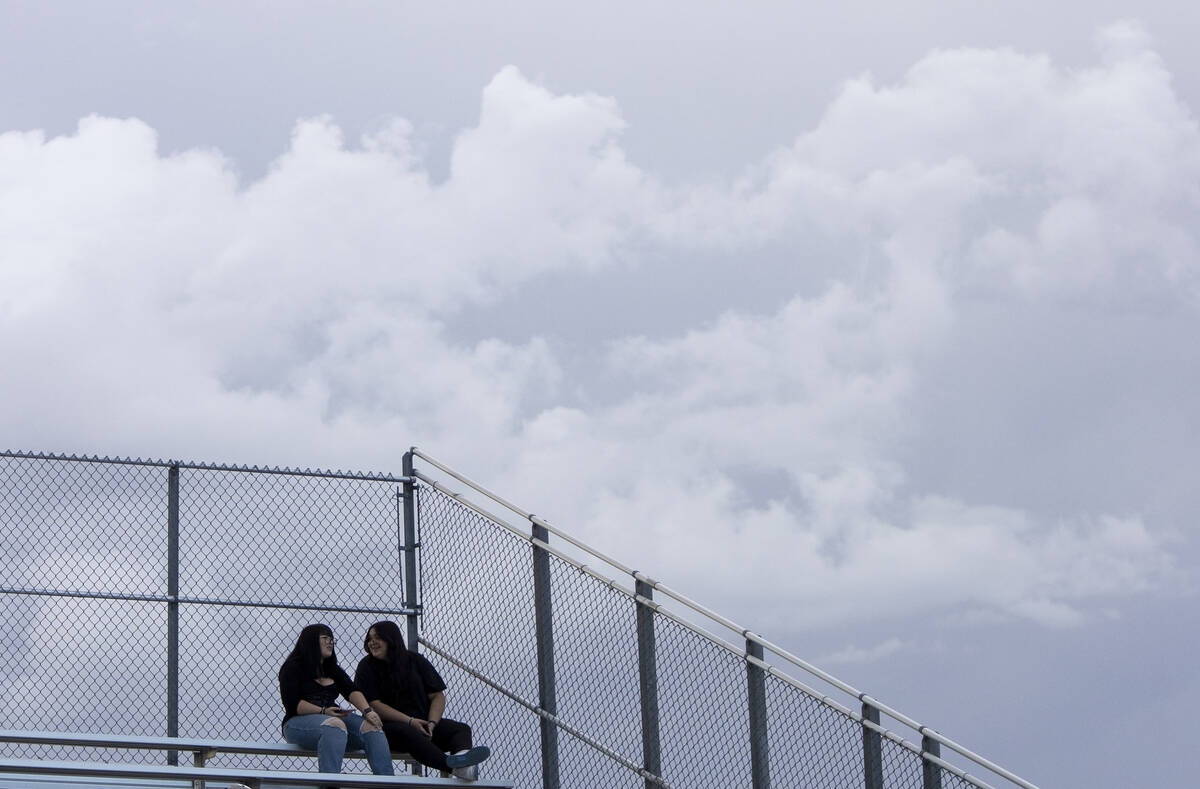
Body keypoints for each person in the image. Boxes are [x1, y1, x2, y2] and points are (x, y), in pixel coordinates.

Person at [354, 620, 491, 780]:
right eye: (370, 639)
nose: (372, 643)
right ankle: (454, 768)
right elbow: (374, 705)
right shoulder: (366, 666)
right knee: (408, 732)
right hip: (387, 728)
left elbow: (437, 695)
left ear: (391, 638)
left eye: (377, 638)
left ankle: (463, 763)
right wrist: (410, 721)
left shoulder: (415, 660)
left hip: (423, 724)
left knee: (460, 729)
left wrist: (432, 723)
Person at [278, 623, 395, 777]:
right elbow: (293, 705)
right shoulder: (292, 667)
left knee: (373, 728)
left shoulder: (332, 669)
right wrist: (323, 711)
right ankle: (330, 783)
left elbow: (351, 690)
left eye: (332, 639)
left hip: (334, 720)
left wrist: (368, 711)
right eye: (325, 638)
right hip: (297, 723)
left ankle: (387, 782)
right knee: (334, 725)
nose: (330, 642)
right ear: (311, 641)